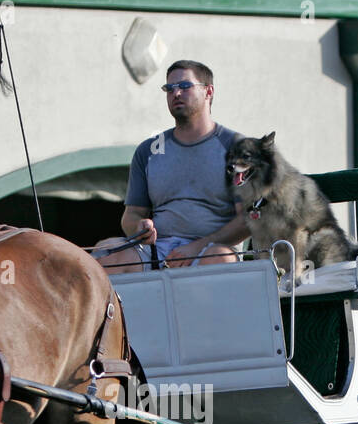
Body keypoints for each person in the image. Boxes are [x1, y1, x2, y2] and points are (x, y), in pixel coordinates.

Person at [96, 60, 249, 272]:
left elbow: (248, 220)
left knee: (220, 258)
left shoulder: (238, 148)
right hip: (157, 250)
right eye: (169, 88)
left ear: (209, 91)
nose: (175, 93)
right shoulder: (148, 151)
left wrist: (196, 247)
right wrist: (139, 229)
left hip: (211, 250)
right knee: (107, 251)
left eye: (185, 86)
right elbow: (131, 216)